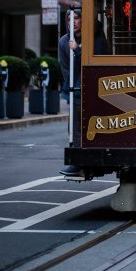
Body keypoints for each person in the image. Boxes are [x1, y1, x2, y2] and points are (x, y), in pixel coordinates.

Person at [59, 9, 84, 178]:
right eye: (69, 19)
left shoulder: (90, 38)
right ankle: (77, 161)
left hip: (94, 86)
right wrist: (74, 87)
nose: (73, 22)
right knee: (74, 126)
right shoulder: (64, 42)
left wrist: (78, 50)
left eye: (76, 18)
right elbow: (66, 69)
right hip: (76, 88)